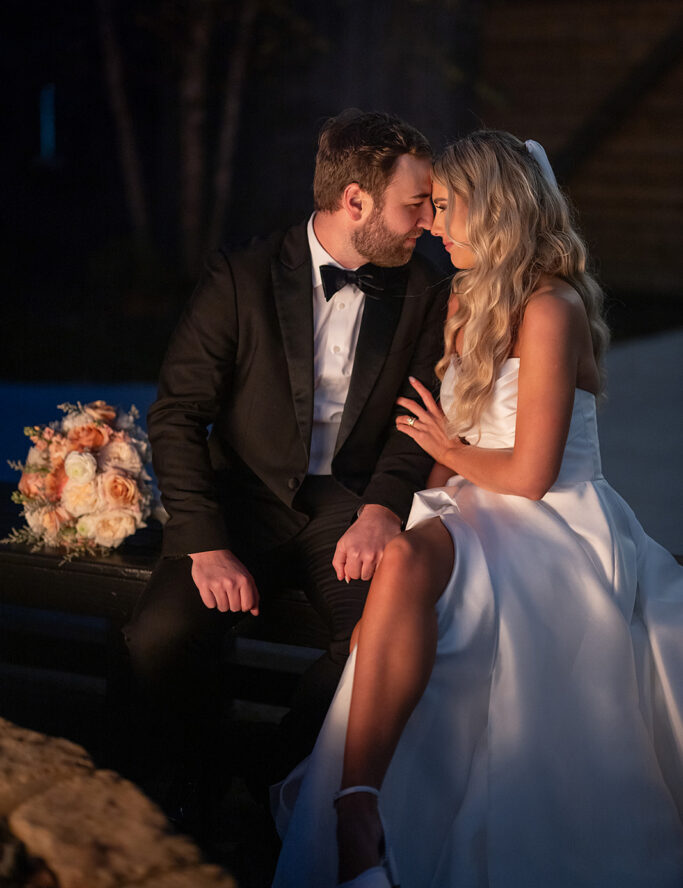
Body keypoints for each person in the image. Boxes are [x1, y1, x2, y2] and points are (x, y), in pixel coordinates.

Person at [272, 130, 683, 888]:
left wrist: (446, 450)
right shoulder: (468, 296)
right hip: (471, 502)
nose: (430, 223)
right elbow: (447, 444)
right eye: (427, 207)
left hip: (553, 522)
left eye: (445, 206)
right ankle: (357, 805)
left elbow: (528, 474)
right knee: (395, 566)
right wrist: (404, 513)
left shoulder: (550, 307)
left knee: (435, 596)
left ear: (492, 208)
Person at [123, 109, 449, 831]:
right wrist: (205, 544)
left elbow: (417, 423)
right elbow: (177, 415)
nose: (426, 220)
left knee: (377, 635)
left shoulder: (426, 288)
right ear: (355, 201)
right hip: (238, 500)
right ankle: (202, 769)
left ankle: (278, 776)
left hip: (348, 502)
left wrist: (381, 510)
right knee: (159, 637)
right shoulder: (238, 275)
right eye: (413, 203)